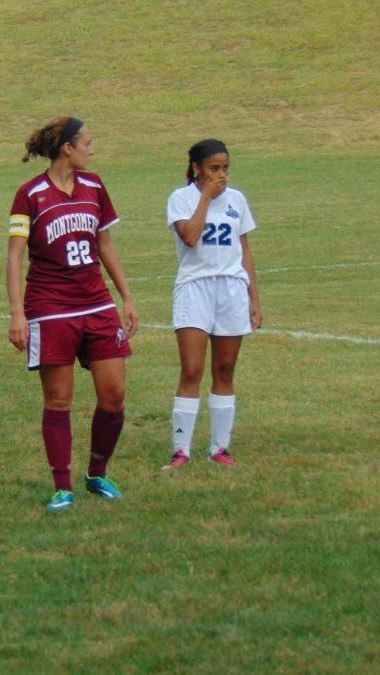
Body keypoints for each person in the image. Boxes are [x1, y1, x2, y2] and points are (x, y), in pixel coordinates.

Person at [6, 117, 138, 512]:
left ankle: (97, 473)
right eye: (88, 143)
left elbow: (107, 246)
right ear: (68, 148)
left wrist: (126, 298)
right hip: (50, 308)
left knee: (114, 395)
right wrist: (17, 314)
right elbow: (15, 257)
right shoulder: (29, 194)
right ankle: (62, 485)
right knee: (59, 400)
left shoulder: (95, 186)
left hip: (96, 303)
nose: (92, 151)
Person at [162, 139, 262, 471]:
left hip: (231, 289)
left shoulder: (237, 200)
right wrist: (205, 196)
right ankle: (181, 450)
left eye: (225, 168)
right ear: (196, 169)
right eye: (214, 168)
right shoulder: (181, 198)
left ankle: (219, 448)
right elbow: (189, 236)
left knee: (225, 370)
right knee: (191, 370)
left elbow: (244, 250)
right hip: (195, 288)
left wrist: (253, 298)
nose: (222, 175)